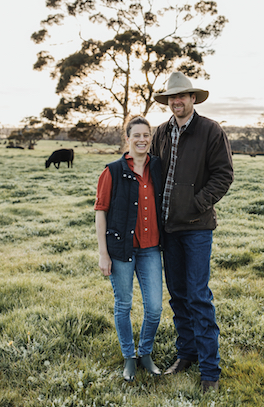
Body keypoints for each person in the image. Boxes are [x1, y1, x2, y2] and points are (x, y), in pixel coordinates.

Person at [151, 71, 234, 393]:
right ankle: (186, 354)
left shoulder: (211, 131)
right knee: (179, 297)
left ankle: (210, 370)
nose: (177, 102)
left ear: (193, 98)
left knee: (199, 296)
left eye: (182, 96)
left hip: (197, 228)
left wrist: (196, 204)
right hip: (168, 229)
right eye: (172, 97)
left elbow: (223, 175)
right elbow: (153, 172)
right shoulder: (160, 132)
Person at [94, 116, 163, 382]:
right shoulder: (111, 171)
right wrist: (103, 253)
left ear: (150, 137)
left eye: (146, 135)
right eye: (136, 135)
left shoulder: (158, 168)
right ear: (128, 138)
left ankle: (145, 353)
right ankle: (129, 358)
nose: (142, 140)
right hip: (121, 251)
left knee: (155, 308)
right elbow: (101, 212)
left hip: (150, 250)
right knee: (123, 305)